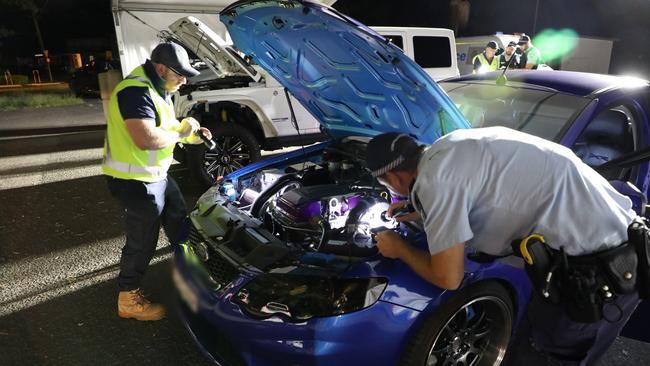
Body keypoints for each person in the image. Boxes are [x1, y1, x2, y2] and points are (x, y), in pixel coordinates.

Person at [367, 128, 642, 365]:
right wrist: (422, 208)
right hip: (616, 241)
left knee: (548, 357)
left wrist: (399, 248)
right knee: (529, 342)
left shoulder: (435, 182)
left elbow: (448, 278)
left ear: (392, 178)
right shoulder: (451, 144)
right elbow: (482, 186)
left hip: (598, 277)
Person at [102, 42, 212, 321]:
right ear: (161, 68)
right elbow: (145, 138)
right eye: (180, 74)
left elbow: (163, 127)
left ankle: (192, 280)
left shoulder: (157, 87)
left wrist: (190, 133)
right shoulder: (135, 90)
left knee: (179, 222)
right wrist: (180, 134)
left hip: (155, 176)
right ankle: (128, 299)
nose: (184, 80)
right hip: (135, 181)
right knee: (143, 240)